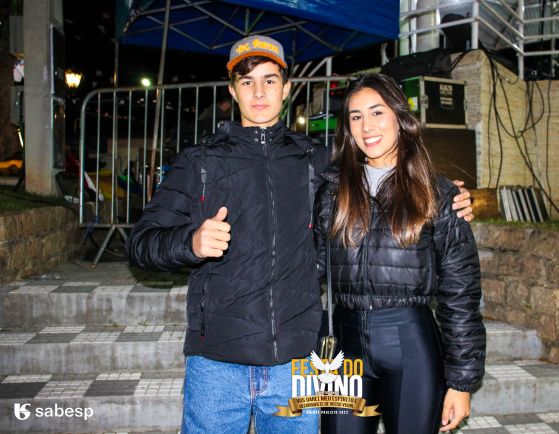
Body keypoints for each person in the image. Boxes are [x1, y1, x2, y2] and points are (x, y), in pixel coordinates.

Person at [127, 34, 475, 434]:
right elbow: (141, 244)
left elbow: (381, 169)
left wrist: (443, 194)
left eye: (270, 80)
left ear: (287, 88)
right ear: (232, 91)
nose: (259, 92)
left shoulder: (317, 162)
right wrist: (189, 243)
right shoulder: (198, 162)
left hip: (297, 363)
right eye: (247, 82)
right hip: (218, 363)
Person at [314, 74, 486, 434]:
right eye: (356, 116)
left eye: (377, 112)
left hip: (410, 344)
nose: (367, 126)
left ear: (399, 117)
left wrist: (461, 382)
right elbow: (308, 268)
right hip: (344, 346)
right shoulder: (331, 192)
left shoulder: (438, 194)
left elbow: (460, 294)